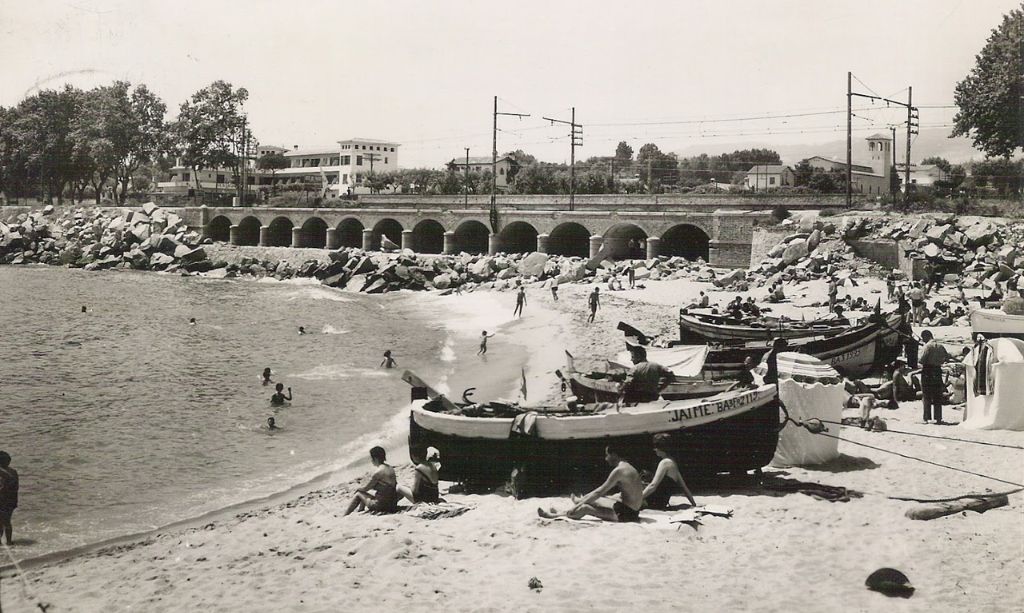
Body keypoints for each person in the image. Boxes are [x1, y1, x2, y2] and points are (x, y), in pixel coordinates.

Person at [537, 444, 644, 523]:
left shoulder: (619, 471)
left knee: (585, 508)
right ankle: (570, 507)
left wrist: (578, 506)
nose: (606, 459)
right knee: (596, 500)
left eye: (607, 455)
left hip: (626, 515)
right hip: (631, 510)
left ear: (614, 455)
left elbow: (600, 491)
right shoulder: (628, 467)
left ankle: (557, 515)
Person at [642, 434, 696, 510]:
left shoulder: (665, 463)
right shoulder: (672, 462)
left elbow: (653, 486)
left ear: (661, 448)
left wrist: (638, 499)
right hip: (661, 503)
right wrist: (693, 504)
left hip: (654, 502)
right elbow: (684, 487)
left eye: (656, 447)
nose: (654, 449)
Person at [344, 446, 399, 515]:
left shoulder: (378, 472)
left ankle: (345, 515)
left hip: (382, 506)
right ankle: (360, 510)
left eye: (371, 458)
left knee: (359, 493)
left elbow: (366, 488)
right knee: (365, 494)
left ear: (375, 459)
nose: (371, 460)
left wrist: (357, 488)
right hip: (393, 504)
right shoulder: (390, 468)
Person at [919, 329, 950, 424]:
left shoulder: (927, 346)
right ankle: (938, 418)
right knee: (937, 395)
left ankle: (926, 418)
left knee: (926, 395)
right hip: (937, 371)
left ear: (925, 337)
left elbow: (921, 360)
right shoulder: (940, 346)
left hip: (928, 370)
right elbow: (947, 357)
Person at [0, 451, 18, 546]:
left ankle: (8, 542)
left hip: (5, 500)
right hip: (11, 500)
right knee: (5, 521)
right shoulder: (13, 471)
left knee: (4, 522)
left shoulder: (5, 473)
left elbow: (4, 487)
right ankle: (8, 541)